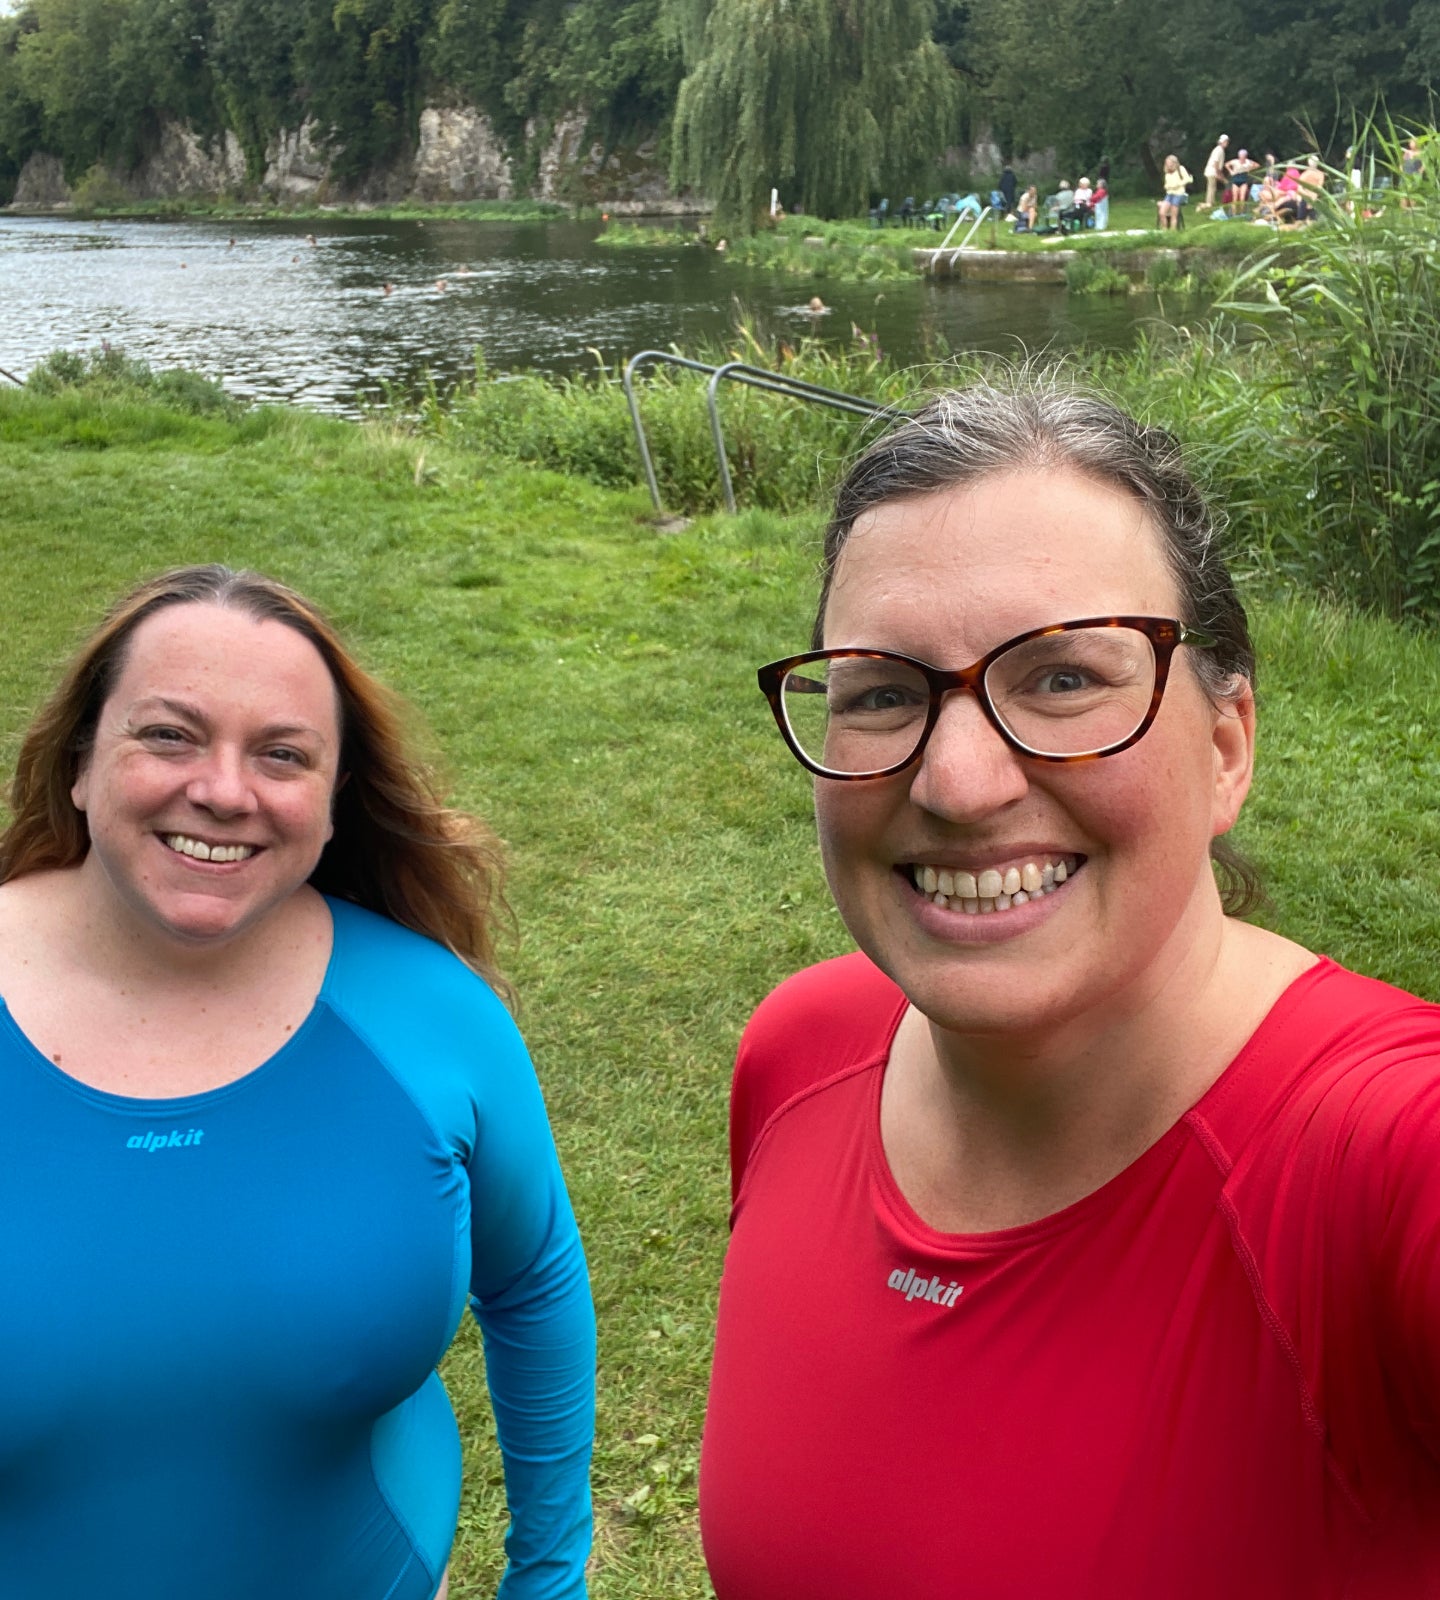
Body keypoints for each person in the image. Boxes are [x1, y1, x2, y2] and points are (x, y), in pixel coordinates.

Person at [699, 379, 1440, 1598]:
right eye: (882, 691)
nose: (961, 780)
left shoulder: (1374, 1162)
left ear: (1225, 748)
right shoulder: (801, 1054)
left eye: (1062, 680)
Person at [0, 565, 596, 1600]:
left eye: (282, 754)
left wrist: (549, 1579)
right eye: (170, 734)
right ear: (82, 762)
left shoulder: (432, 1016)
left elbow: (535, 1276)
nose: (224, 790)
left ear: (331, 804)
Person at [1157, 152, 1191, 228]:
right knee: (1162, 213)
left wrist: (1178, 184)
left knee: (1173, 215)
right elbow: (1166, 184)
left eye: (1169, 162)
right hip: (1169, 194)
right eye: (1167, 163)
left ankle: (1172, 232)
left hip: (1178, 194)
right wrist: (1167, 186)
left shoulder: (1180, 169)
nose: (1168, 164)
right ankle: (1165, 230)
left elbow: (1187, 179)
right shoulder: (1167, 173)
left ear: (1174, 162)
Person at [1202, 132, 1229, 207]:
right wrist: (1218, 173)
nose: (1227, 143)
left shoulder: (1219, 150)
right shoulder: (1219, 150)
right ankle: (1209, 203)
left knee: (1213, 187)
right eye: (1226, 141)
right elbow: (1215, 163)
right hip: (1212, 171)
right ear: (1222, 142)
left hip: (1212, 171)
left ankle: (1211, 202)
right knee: (1211, 187)